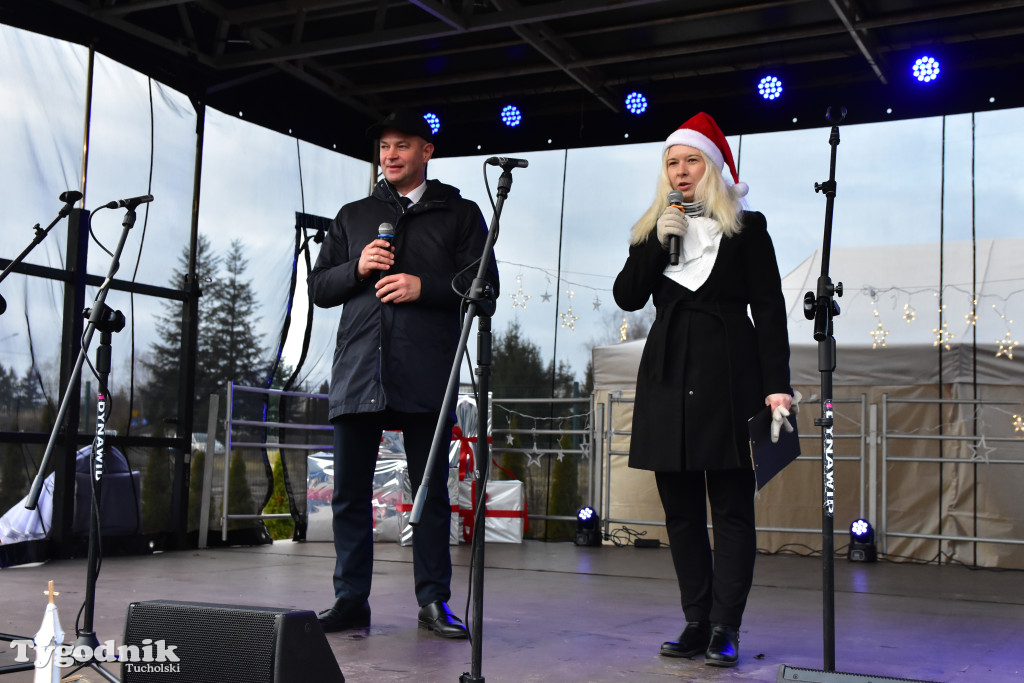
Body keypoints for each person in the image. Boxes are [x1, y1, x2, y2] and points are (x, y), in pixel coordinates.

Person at [612, 112, 793, 668]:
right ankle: (696, 619)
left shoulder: (747, 228)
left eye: (691, 160)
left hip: (729, 371)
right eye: (672, 161)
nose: (681, 171)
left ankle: (725, 626)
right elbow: (625, 297)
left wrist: (777, 387)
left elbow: (769, 309)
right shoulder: (652, 228)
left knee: (732, 508)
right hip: (668, 375)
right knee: (681, 512)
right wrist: (653, 243)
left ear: (712, 168)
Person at [309, 110, 499, 639]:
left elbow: (486, 287)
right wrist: (356, 268)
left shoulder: (459, 214)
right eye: (385, 147)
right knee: (349, 493)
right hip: (359, 372)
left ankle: (434, 601)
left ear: (426, 152)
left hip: (424, 372)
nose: (390, 155)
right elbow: (319, 288)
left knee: (430, 492)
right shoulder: (353, 215)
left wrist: (426, 287)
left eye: (403, 146)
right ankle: (350, 599)